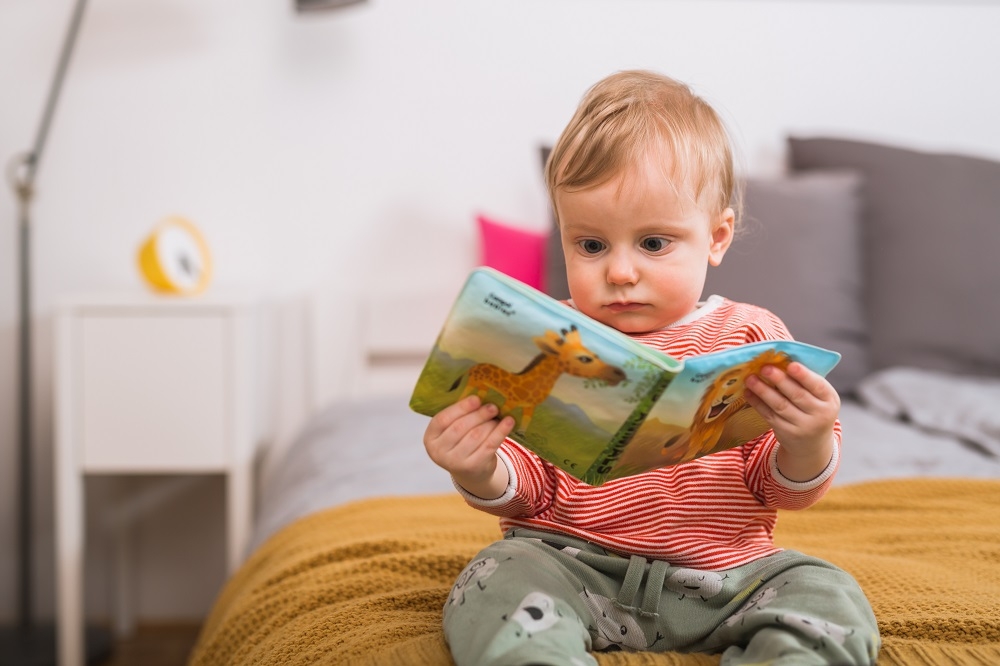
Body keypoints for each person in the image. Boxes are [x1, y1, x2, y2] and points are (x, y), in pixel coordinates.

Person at [423, 70, 880, 666]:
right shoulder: (548, 339)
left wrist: (810, 437)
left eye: (654, 243)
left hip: (726, 581)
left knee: (829, 593)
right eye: (590, 245)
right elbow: (529, 489)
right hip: (574, 568)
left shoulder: (750, 335)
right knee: (493, 578)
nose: (619, 272)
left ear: (716, 237)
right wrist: (480, 467)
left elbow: (778, 488)